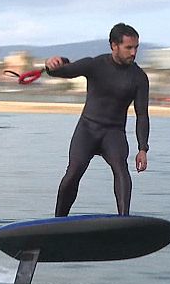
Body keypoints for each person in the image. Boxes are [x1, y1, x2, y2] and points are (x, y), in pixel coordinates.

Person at [44, 23, 150, 217]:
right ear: (114, 46)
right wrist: (51, 65)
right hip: (88, 129)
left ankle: (123, 221)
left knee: (121, 169)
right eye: (129, 47)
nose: (133, 52)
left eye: (136, 47)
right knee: (73, 173)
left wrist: (143, 148)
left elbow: (142, 114)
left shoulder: (139, 78)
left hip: (114, 132)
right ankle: (58, 221)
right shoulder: (95, 65)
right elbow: (62, 71)